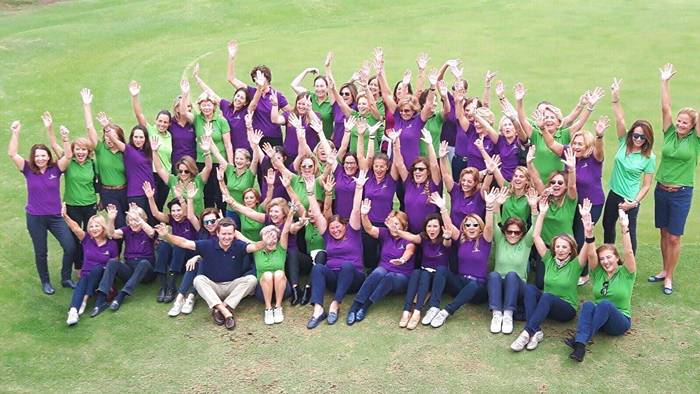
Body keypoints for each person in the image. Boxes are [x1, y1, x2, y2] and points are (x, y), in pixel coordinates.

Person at [510, 199, 590, 352]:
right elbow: (536, 237)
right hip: (547, 306)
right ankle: (536, 331)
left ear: (570, 250)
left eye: (564, 247)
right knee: (530, 289)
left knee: (547, 296)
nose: (560, 250)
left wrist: (587, 227)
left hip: (566, 309)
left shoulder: (576, 264)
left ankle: (527, 333)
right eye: (558, 246)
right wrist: (542, 213)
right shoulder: (549, 259)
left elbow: (587, 245)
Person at [8, 120, 76, 294]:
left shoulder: (56, 169)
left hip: (55, 217)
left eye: (43, 155)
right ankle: (45, 282)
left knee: (70, 246)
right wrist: (15, 133)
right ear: (33, 157)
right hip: (35, 218)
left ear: (48, 156)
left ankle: (66, 278)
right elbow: (12, 154)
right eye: (37, 156)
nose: (40, 158)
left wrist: (65, 137)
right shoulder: (27, 169)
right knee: (41, 251)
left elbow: (68, 156)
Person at [155, 217, 258, 330]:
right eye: (223, 234)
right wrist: (167, 236)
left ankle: (220, 308)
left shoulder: (239, 245)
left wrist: (265, 242)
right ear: (217, 233)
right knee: (198, 280)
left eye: (230, 234)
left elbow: (255, 246)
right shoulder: (207, 244)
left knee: (252, 280)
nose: (227, 237)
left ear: (234, 234)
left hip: (232, 286)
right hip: (214, 287)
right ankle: (226, 313)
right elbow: (184, 242)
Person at [540, 117, 608, 284]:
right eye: (575, 143)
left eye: (580, 144)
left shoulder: (594, 158)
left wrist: (599, 136)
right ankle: (564, 266)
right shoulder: (569, 153)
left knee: (581, 236)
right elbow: (552, 144)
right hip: (571, 202)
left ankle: (583, 273)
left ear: (588, 146)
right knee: (570, 236)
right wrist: (543, 129)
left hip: (591, 203)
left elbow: (600, 151)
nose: (576, 146)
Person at [651, 64, 699, 295]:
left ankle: (670, 276)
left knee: (673, 237)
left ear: (692, 127)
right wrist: (664, 81)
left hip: (681, 192)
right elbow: (665, 107)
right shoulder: (670, 132)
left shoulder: (695, 141)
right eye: (679, 121)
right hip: (661, 189)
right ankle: (663, 269)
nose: (680, 124)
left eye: (685, 123)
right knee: (662, 232)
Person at [567, 209, 636, 362]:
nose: (606, 261)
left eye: (609, 257)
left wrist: (625, 229)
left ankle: (581, 340)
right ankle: (580, 347)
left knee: (604, 304)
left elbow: (629, 252)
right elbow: (591, 255)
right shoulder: (598, 273)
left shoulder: (627, 273)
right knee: (588, 305)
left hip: (619, 322)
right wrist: (589, 232)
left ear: (617, 258)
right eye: (602, 259)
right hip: (599, 319)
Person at [423, 190, 498, 328]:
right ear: (463, 227)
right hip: (461, 282)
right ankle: (434, 307)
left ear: (480, 228)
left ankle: (446, 312)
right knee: (441, 270)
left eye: (475, 225)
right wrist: (443, 208)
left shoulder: (485, 240)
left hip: (478, 288)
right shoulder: (462, 239)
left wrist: (489, 206)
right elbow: (450, 226)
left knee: (474, 285)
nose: (471, 227)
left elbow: (489, 226)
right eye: (468, 224)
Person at [305, 173, 366, 328]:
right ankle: (318, 309)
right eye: (332, 228)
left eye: (338, 227)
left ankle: (335, 304)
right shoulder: (327, 236)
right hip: (334, 278)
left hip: (354, 278)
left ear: (344, 226)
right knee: (318, 267)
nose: (335, 230)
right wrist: (310, 192)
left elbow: (355, 210)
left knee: (347, 266)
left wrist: (359, 188)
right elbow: (318, 214)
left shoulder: (353, 231)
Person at [603, 78, 655, 255]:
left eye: (642, 137)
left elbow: (647, 184)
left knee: (629, 232)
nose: (638, 139)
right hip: (614, 192)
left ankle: (630, 266)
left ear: (647, 139)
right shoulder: (623, 143)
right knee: (607, 226)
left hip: (630, 198)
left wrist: (634, 202)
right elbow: (620, 118)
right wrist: (615, 98)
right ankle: (608, 257)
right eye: (636, 135)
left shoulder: (649, 157)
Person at [43, 111, 98, 272]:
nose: (81, 152)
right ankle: (79, 266)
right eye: (78, 149)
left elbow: (97, 183)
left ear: (88, 152)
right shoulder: (68, 162)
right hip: (72, 206)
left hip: (90, 204)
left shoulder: (92, 164)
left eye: (84, 150)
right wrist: (50, 128)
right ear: (73, 151)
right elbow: (54, 145)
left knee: (92, 235)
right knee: (74, 238)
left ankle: (92, 262)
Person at [515, 83, 603, 180]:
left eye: (552, 117)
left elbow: (580, 122)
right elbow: (522, 119)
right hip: (537, 181)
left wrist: (590, 107)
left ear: (559, 122)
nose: (549, 120)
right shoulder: (535, 134)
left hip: (557, 184)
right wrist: (519, 101)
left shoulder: (564, 134)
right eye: (546, 117)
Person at [347, 204, 416, 325]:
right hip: (383, 271)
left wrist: (402, 260)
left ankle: (365, 306)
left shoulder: (408, 238)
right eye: (392, 223)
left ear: (404, 226)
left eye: (397, 224)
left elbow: (409, 251)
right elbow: (369, 229)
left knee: (389, 277)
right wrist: (364, 214)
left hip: (400, 278)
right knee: (378, 272)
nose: (394, 227)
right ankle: (355, 305)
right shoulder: (385, 233)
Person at [486, 188, 539, 334]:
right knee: (493, 275)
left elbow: (536, 228)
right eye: (509, 231)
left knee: (511, 275)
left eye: (517, 232)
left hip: (518, 287)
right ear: (504, 232)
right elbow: (493, 223)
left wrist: (534, 208)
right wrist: (496, 204)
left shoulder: (526, 243)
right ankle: (497, 315)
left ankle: (508, 315)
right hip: (499, 286)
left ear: (522, 233)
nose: (513, 235)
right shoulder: (500, 239)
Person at [90, 204, 157, 316]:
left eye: (136, 220)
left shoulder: (147, 229)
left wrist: (139, 219)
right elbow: (112, 234)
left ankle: (121, 295)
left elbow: (151, 233)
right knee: (112, 262)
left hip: (147, 271)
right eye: (130, 220)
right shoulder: (127, 230)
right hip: (130, 269)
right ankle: (101, 299)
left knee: (143, 263)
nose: (133, 223)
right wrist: (111, 219)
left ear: (143, 219)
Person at [528, 146, 578, 289]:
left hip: (565, 248)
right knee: (540, 284)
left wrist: (572, 170)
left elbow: (573, 186)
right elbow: (536, 179)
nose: (556, 185)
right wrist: (529, 163)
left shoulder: (569, 200)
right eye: (553, 182)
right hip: (545, 247)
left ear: (565, 186)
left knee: (561, 285)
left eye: (560, 183)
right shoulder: (546, 198)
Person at [178, 78, 232, 212]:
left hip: (219, 162)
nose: (206, 107)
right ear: (199, 106)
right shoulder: (197, 119)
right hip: (203, 162)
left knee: (219, 195)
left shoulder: (221, 121)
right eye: (203, 105)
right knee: (207, 194)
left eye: (209, 104)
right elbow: (183, 112)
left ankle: (223, 218)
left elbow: (228, 144)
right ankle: (209, 218)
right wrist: (185, 94)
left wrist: (230, 165)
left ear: (214, 106)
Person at [226, 39, 291, 146]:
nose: (258, 80)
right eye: (256, 77)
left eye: (261, 76)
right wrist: (231, 57)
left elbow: (290, 112)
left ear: (268, 78)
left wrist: (280, 119)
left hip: (274, 137)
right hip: (256, 137)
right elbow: (231, 78)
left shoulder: (277, 95)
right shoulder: (251, 92)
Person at [62, 209, 118, 326]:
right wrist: (65, 216)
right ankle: (73, 311)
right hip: (86, 276)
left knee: (97, 269)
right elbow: (76, 228)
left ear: (103, 227)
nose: (94, 229)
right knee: (83, 279)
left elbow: (114, 265)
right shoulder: (86, 239)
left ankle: (85, 299)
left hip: (101, 279)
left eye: (97, 226)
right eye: (91, 226)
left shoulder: (112, 245)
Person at [146, 182, 199, 303]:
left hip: (189, 259)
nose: (176, 213)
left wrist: (183, 198)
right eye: (173, 211)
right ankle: (163, 286)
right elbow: (156, 214)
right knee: (163, 245)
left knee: (179, 246)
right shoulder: (172, 219)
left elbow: (188, 214)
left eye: (178, 210)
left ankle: (171, 286)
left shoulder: (191, 220)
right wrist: (150, 198)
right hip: (176, 257)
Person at [396, 213, 452, 330]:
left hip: (437, 278)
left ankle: (417, 311)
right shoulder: (423, 237)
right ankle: (406, 311)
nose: (432, 229)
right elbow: (411, 237)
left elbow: (448, 243)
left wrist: (447, 237)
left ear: (441, 228)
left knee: (425, 274)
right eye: (429, 226)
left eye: (435, 226)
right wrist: (396, 230)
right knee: (416, 272)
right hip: (422, 274)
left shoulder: (445, 240)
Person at [83, 89, 128, 228]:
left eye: (112, 136)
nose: (109, 139)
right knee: (119, 223)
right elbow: (90, 127)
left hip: (126, 191)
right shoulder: (101, 149)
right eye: (107, 136)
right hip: (108, 193)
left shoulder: (125, 152)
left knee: (128, 221)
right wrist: (87, 105)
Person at [357, 121, 399, 270]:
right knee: (369, 259)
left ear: (387, 167)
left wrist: (395, 142)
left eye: (382, 166)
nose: (379, 169)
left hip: (385, 224)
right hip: (368, 222)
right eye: (376, 166)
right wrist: (368, 135)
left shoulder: (391, 178)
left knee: (383, 256)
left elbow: (397, 162)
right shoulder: (367, 176)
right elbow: (362, 156)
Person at [129, 80, 173, 210]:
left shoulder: (170, 136)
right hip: (151, 174)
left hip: (165, 176)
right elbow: (139, 114)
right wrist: (134, 96)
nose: (162, 124)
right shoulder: (150, 130)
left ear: (169, 124)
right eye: (160, 121)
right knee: (150, 204)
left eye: (165, 122)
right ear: (156, 120)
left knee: (159, 206)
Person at [391, 128, 441, 233]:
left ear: (428, 172)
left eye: (421, 169)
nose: (417, 171)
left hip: (428, 234)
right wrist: (395, 143)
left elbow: (434, 165)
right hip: (410, 233)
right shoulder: (409, 182)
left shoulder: (433, 184)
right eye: (415, 169)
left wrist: (430, 144)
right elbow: (399, 163)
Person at [104, 123, 156, 224]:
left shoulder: (147, 151)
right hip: (136, 194)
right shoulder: (128, 149)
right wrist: (107, 127)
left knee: (151, 222)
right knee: (137, 223)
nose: (138, 140)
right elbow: (115, 140)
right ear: (132, 138)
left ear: (145, 138)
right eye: (135, 137)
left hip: (150, 193)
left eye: (141, 137)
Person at [252, 206, 296, 325]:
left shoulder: (281, 248)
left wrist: (291, 212)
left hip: (282, 289)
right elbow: (239, 238)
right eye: (268, 238)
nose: (271, 241)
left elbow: (286, 230)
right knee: (266, 275)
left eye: (274, 238)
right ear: (262, 239)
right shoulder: (256, 248)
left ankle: (277, 307)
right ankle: (268, 309)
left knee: (278, 273)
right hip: (262, 291)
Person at [290, 62, 334, 139]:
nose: (319, 89)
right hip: (310, 139)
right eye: (317, 86)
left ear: (327, 88)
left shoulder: (331, 102)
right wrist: (306, 71)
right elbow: (294, 85)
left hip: (325, 139)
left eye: (322, 86)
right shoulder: (310, 96)